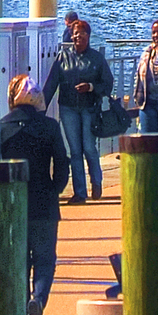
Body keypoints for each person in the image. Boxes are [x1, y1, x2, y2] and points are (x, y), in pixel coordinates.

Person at [0, 74, 71, 315]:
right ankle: (38, 300)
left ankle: (20, 308)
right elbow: (62, 164)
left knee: (17, 261)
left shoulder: (1, 128)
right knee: (45, 259)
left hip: (11, 205)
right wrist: (55, 189)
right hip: (44, 202)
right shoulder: (50, 127)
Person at [43, 17, 111, 203]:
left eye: (81, 35)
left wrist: (91, 87)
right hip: (68, 107)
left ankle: (96, 182)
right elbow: (51, 84)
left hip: (89, 108)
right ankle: (80, 192)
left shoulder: (97, 58)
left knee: (89, 148)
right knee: (74, 150)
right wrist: (41, 107)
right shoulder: (63, 57)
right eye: (74, 35)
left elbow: (107, 84)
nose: (77, 38)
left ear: (88, 37)